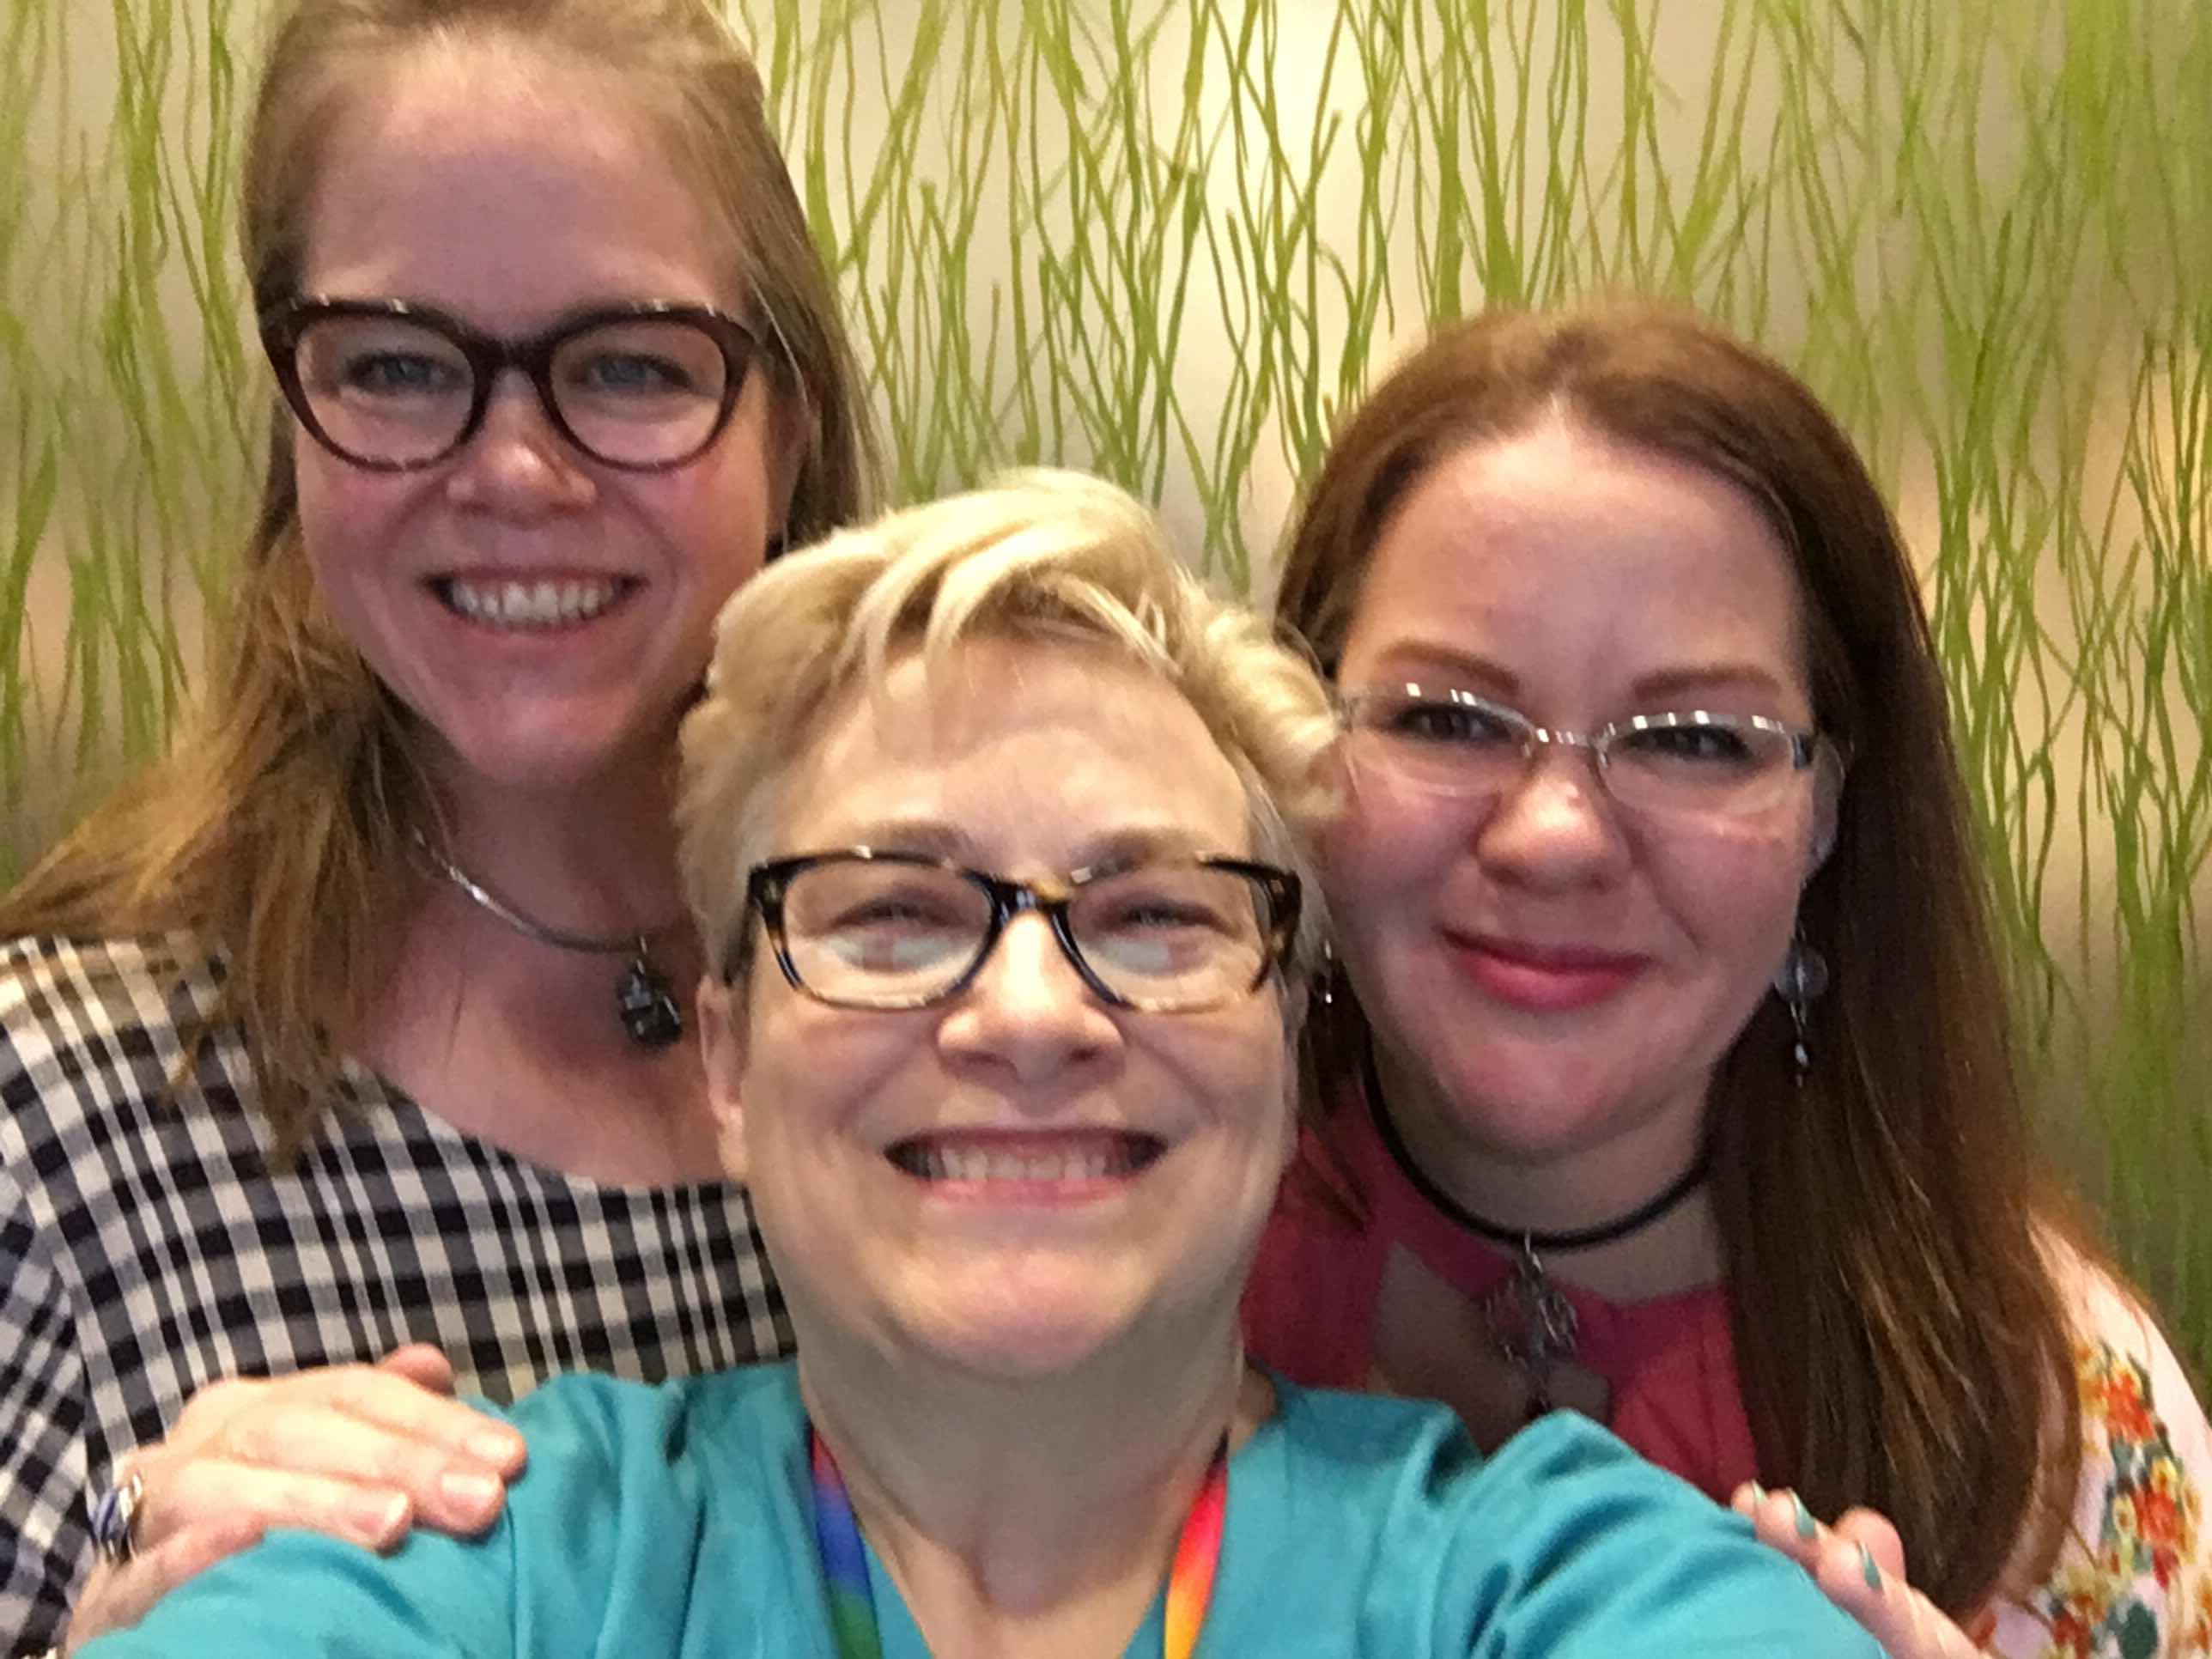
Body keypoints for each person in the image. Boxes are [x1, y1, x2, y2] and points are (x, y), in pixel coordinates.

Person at [71, 471, 1887, 1656]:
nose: (1030, 1013)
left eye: (1158, 917)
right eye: (890, 914)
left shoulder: (1544, 1578)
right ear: (728, 1063)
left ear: (1284, 1041)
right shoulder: (488, 1557)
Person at [0, 0, 868, 1649]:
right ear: (294, 423)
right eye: (398, 366)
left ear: (791, 418)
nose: (515, 472)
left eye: (630, 363)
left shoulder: (959, 1044)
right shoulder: (46, 1133)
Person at [1243, 302, 2212, 1655]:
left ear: (1827, 816)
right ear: (1290, 756)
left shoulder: (2056, 1417)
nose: (1553, 836)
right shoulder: (1117, 1277)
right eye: (1448, 718)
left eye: (1695, 739)